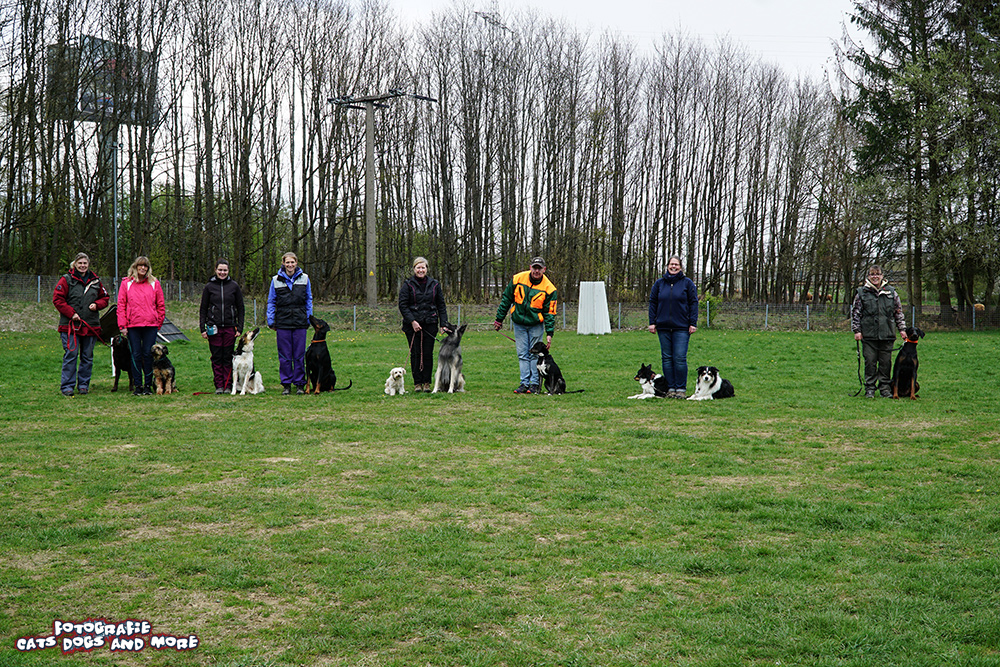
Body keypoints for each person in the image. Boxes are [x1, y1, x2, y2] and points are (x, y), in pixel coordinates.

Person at [493, 256, 558, 394]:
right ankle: (524, 383)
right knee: (522, 354)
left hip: (536, 325)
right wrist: (499, 319)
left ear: (544, 270)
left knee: (535, 355)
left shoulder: (549, 288)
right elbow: (506, 299)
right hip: (519, 323)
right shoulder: (517, 279)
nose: (536, 271)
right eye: (534, 268)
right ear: (530, 267)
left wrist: (549, 333)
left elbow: (550, 313)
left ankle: (534, 384)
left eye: (539, 269)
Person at [52, 252, 110, 396]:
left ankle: (83, 385)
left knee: (87, 356)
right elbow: (58, 300)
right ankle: (67, 386)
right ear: (75, 264)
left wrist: (97, 305)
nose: (82, 266)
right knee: (71, 354)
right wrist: (71, 313)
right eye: (80, 263)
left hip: (90, 325)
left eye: (85, 263)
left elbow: (105, 298)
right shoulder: (66, 280)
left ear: (88, 264)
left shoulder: (95, 281)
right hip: (70, 326)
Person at [851, 264, 906, 398]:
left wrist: (902, 329)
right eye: (872, 274)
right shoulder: (861, 293)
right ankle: (870, 388)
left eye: (878, 274)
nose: (875, 276)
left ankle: (885, 388)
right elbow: (856, 313)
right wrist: (857, 331)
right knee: (870, 361)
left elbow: (898, 312)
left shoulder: (891, 292)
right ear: (868, 276)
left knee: (885, 363)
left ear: (882, 276)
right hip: (868, 335)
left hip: (887, 334)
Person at [647, 255, 699, 398]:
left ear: (680, 267)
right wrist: (652, 322)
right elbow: (653, 303)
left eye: (676, 264)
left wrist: (692, 323)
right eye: (671, 264)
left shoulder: (687, 284)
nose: (673, 267)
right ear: (667, 266)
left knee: (679, 358)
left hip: (682, 327)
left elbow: (694, 303)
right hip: (663, 327)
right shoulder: (659, 284)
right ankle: (670, 388)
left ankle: (681, 389)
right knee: (667, 358)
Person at [399, 257, 450, 392]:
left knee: (427, 353)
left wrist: (443, 323)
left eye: (423, 267)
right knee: (415, 354)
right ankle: (417, 383)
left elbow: (441, 305)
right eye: (418, 267)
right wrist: (412, 321)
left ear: (427, 269)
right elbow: (403, 305)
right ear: (414, 269)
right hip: (412, 326)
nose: (421, 270)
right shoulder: (408, 284)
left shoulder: (435, 284)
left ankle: (427, 382)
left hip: (430, 324)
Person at [117, 256, 165, 396]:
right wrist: (122, 325)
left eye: (145, 266)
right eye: (140, 266)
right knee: (136, 355)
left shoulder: (154, 283)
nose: (143, 268)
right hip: (133, 325)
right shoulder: (126, 283)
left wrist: (159, 322)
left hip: (151, 324)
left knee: (148, 355)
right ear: (135, 267)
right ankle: (137, 385)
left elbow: (160, 304)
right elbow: (121, 305)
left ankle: (148, 385)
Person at [266, 251, 312, 395]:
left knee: (299, 355)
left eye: (292, 262)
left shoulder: (305, 278)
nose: (290, 265)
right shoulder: (275, 280)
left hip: (299, 322)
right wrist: (271, 320)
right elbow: (271, 301)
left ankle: (299, 384)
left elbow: (308, 299)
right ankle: (286, 384)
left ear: (296, 263)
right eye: (287, 262)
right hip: (283, 322)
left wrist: (309, 317)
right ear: (283, 263)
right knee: (285, 356)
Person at [199, 259, 246, 394]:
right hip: (214, 328)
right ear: (215, 270)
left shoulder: (234, 286)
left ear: (228, 271)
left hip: (230, 327)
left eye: (225, 270)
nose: (222, 272)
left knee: (228, 357)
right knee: (216, 356)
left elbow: (240, 308)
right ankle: (219, 385)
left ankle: (228, 384)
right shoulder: (209, 287)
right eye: (220, 270)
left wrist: (240, 327)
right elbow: (203, 308)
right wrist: (203, 328)